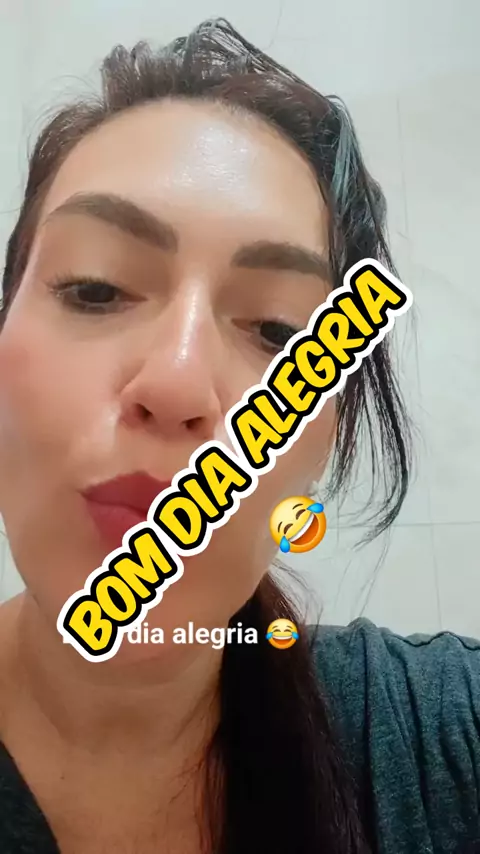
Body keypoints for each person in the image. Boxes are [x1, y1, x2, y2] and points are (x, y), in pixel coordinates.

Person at [0, 17, 478, 854]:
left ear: (325, 438)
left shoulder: (445, 731)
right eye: (96, 288)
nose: (177, 381)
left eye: (279, 330)